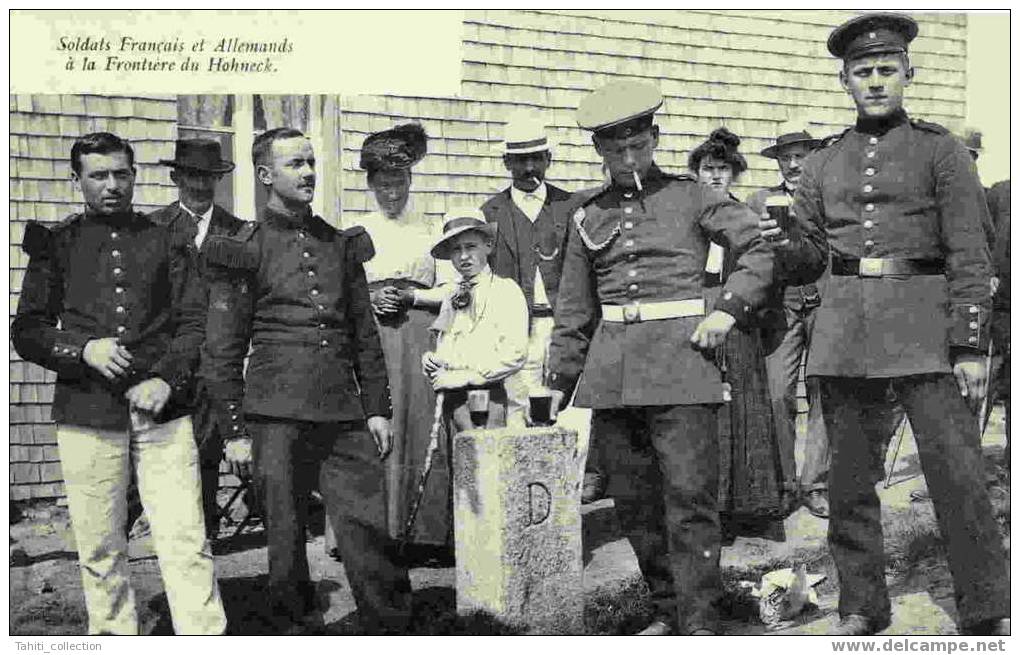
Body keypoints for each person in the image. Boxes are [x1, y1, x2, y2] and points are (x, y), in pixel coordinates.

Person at [545, 81, 813, 636]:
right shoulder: (582, 215)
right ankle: (667, 610)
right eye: (615, 149)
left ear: (655, 139)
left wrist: (728, 311)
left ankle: (699, 621)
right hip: (614, 372)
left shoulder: (693, 196)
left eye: (637, 145)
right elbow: (574, 305)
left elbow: (758, 247)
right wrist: (559, 377)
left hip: (683, 364)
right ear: (598, 151)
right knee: (635, 503)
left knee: (689, 499)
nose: (627, 157)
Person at [779, 13, 1010, 636]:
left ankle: (985, 606)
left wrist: (968, 344)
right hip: (846, 332)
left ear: (908, 72)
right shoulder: (823, 163)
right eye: (862, 72)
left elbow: (970, 252)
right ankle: (863, 604)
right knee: (849, 482)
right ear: (844, 80)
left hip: (927, 332)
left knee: (957, 475)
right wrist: (780, 243)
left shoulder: (941, 151)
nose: (875, 82)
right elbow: (806, 256)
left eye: (886, 70)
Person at [11, 132, 226, 634]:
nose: (112, 185)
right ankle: (112, 636)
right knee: (101, 545)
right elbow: (27, 331)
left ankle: (205, 636)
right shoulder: (57, 243)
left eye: (121, 174)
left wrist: (167, 380)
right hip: (88, 413)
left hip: (163, 415)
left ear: (134, 175)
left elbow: (196, 323)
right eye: (98, 175)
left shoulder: (169, 239)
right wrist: (82, 349)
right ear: (78, 179)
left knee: (185, 538)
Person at [201, 127, 412, 633]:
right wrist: (234, 430)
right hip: (275, 415)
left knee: (368, 527)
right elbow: (223, 349)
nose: (309, 172)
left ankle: (394, 628)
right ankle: (295, 631)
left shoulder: (339, 245)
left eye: (312, 162)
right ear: (266, 175)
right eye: (295, 164)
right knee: (285, 536)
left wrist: (377, 407)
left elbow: (364, 332)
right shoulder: (243, 248)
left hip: (342, 412)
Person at [479, 111, 605, 503]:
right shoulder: (491, 214)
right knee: (518, 410)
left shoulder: (572, 207)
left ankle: (565, 501)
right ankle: (525, 501)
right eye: (520, 159)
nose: (529, 167)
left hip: (565, 327)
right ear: (506, 164)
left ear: (549, 158)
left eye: (536, 157)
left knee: (569, 414)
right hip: (516, 331)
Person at [690, 127, 797, 542]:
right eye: (707, 169)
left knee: (745, 409)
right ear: (697, 173)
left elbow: (763, 268)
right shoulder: (690, 217)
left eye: (722, 170)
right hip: (699, 319)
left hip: (737, 323)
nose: (715, 177)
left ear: (733, 175)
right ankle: (709, 509)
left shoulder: (743, 217)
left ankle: (748, 507)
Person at [349, 123, 452, 550]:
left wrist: (413, 295)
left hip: (417, 338)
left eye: (400, 182)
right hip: (374, 341)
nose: (393, 193)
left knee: (418, 421)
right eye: (384, 184)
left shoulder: (429, 230)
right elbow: (344, 291)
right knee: (378, 422)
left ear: (410, 180)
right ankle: (373, 531)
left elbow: (451, 290)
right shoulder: (356, 231)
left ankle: (422, 532)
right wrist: (369, 298)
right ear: (371, 184)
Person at [146, 137, 244, 541]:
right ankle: (158, 532)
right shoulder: (152, 229)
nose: (201, 186)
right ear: (175, 177)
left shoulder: (237, 232)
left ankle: (205, 534)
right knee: (163, 449)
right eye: (191, 177)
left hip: (220, 360)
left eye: (209, 177)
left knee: (208, 448)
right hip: (168, 361)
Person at [745, 122, 831, 519]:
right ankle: (781, 483)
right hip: (782, 304)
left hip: (826, 299)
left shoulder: (829, 196)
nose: (794, 164)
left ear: (813, 156)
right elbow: (748, 252)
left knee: (823, 392)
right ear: (777, 162)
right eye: (786, 157)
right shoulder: (760, 200)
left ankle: (815, 484)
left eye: (801, 155)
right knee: (778, 392)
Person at [421, 208, 529, 434]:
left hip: (486, 397)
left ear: (488, 246)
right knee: (455, 464)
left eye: (470, 247)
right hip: (452, 400)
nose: (463, 256)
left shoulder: (505, 290)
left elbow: (515, 353)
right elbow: (451, 343)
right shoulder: (452, 294)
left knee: (484, 463)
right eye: (456, 250)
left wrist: (467, 377)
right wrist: (434, 359)